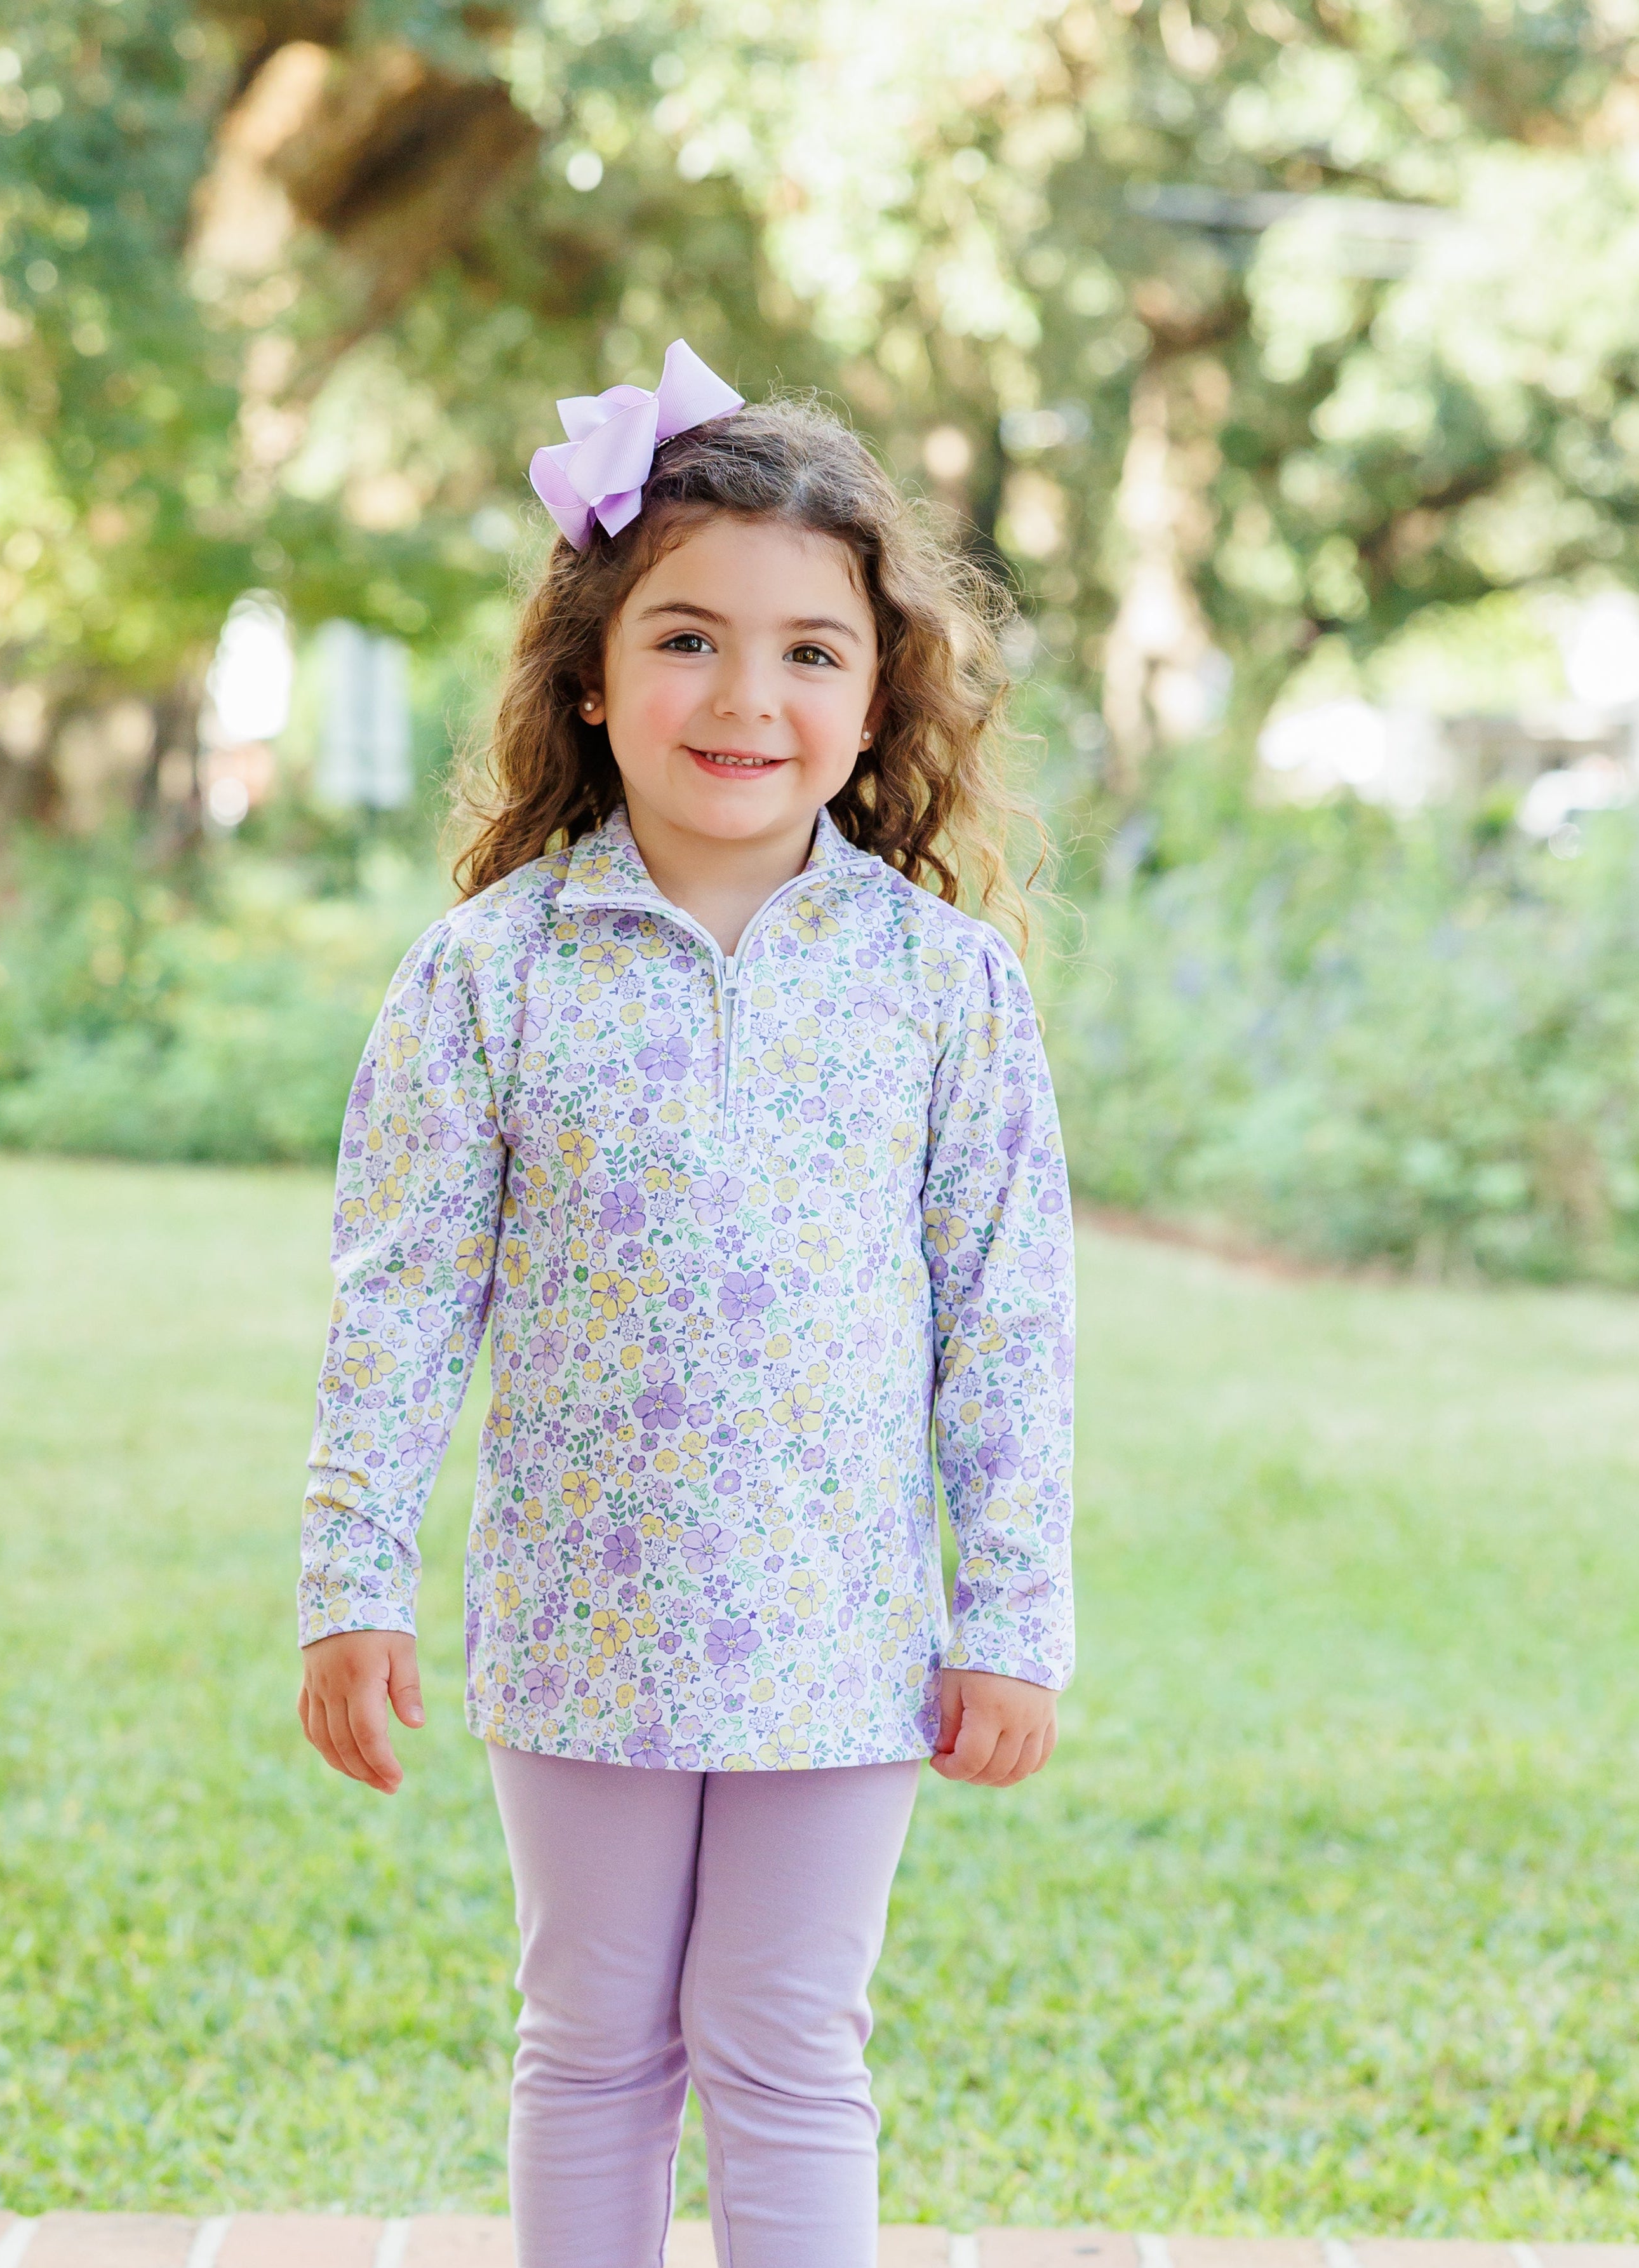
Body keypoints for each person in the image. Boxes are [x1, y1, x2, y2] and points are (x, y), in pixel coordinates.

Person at [296, 340, 1076, 2268]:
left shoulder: (942, 987)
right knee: (590, 2042)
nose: (745, 695)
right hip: (582, 1623)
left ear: (876, 694)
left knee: (788, 2044)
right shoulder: (488, 974)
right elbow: (399, 1301)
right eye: (687, 640)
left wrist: (1012, 1618)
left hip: (840, 1632)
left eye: (809, 650)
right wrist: (351, 1578)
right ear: (591, 674)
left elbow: (1007, 1324)